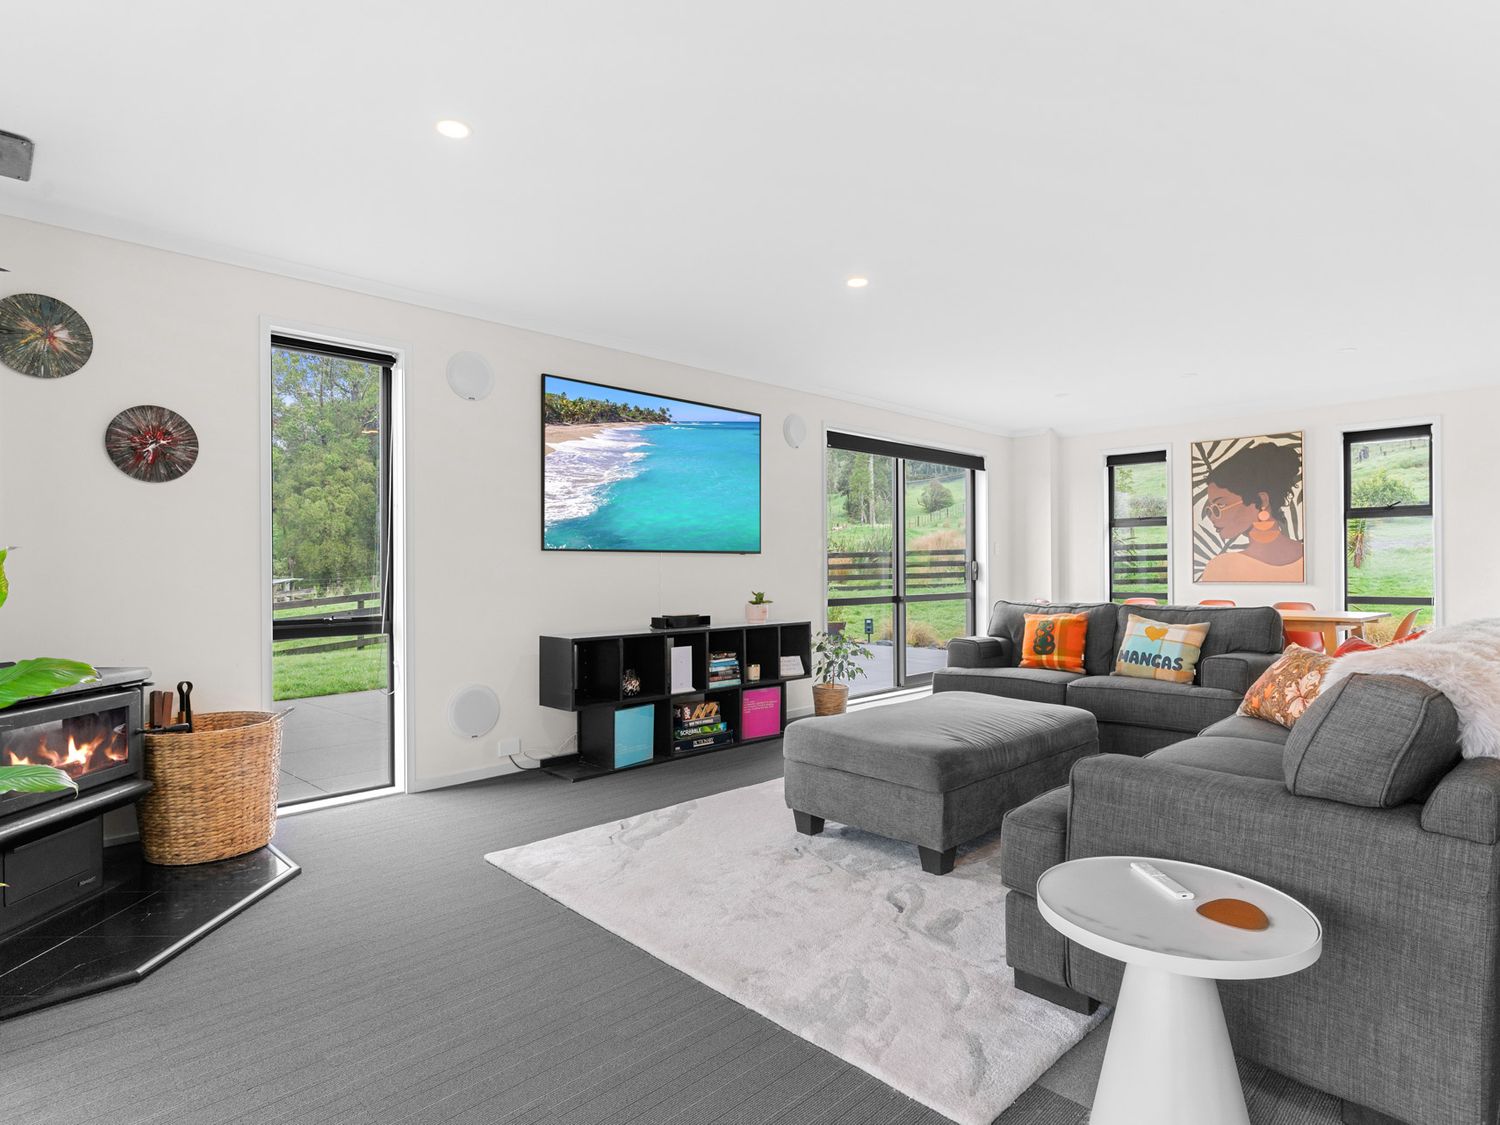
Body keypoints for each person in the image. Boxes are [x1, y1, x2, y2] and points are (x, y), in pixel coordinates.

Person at [1198, 442, 1304, 582]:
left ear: (1261, 501)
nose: (1212, 517)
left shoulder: (1221, 568)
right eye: (1210, 509)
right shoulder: (1219, 567)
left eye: (1220, 505)